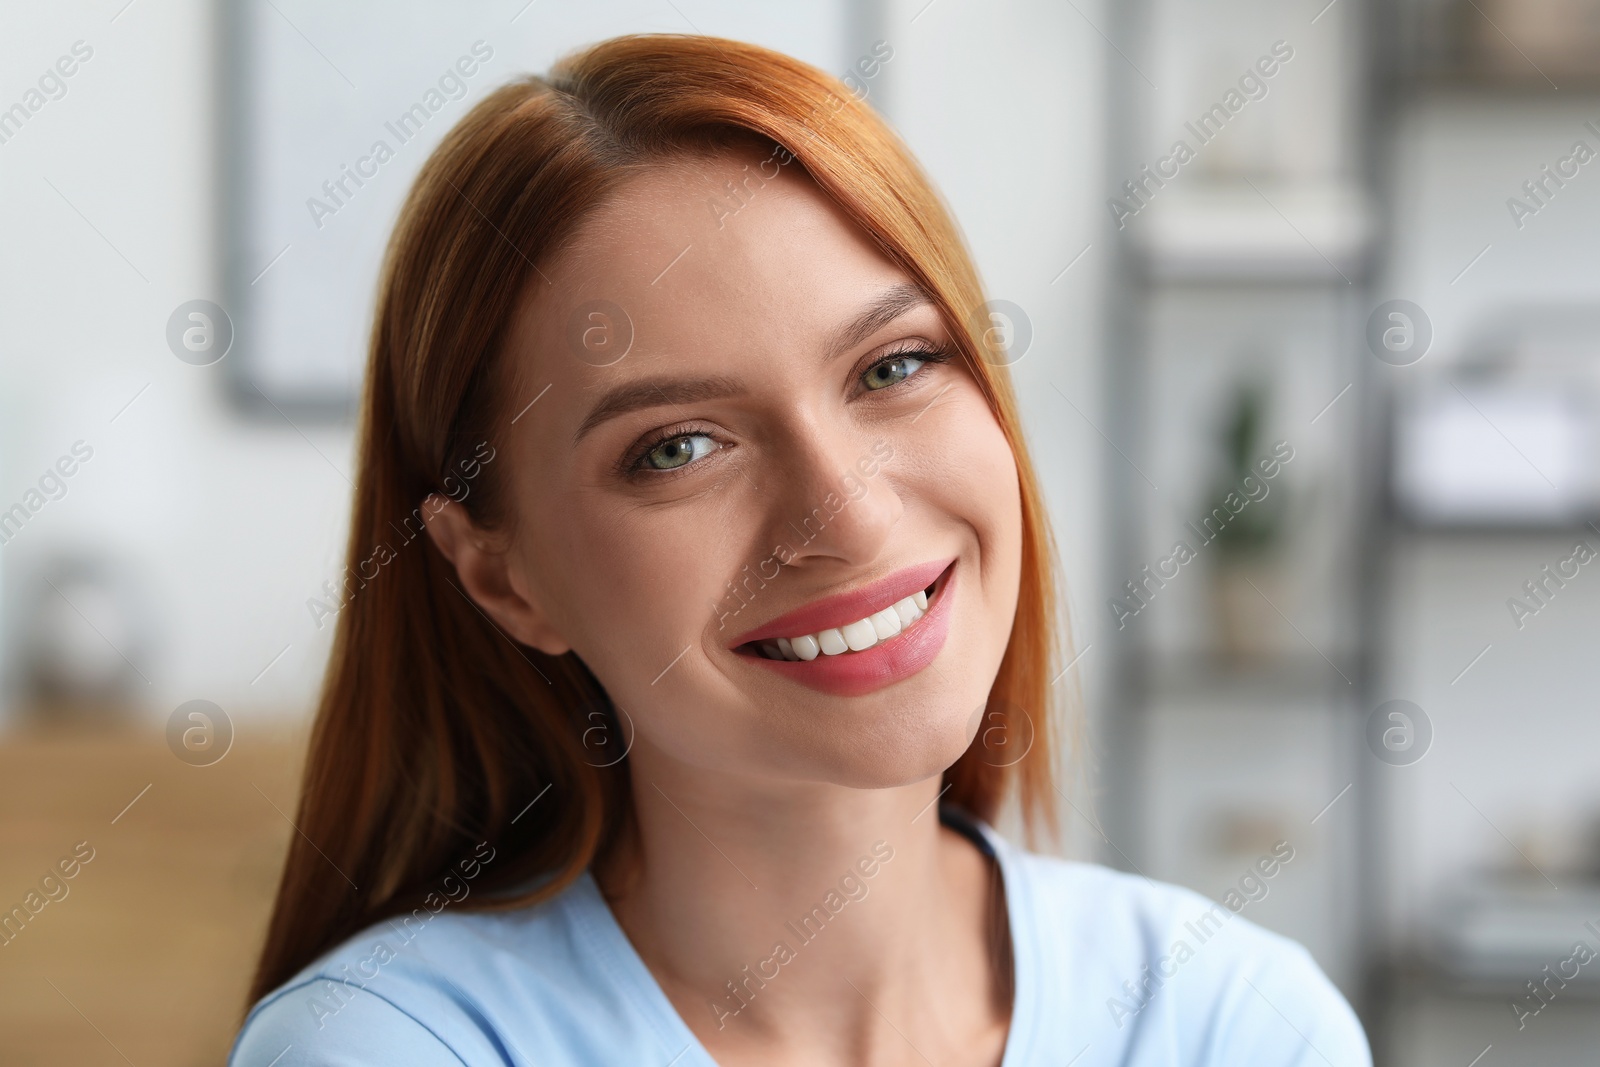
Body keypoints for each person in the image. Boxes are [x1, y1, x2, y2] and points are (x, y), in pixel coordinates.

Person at [231, 33, 1370, 1067]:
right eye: (677, 446)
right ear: (501, 573)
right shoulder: (384, 1046)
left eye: (892, 366)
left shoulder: (1235, 1021)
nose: (853, 518)